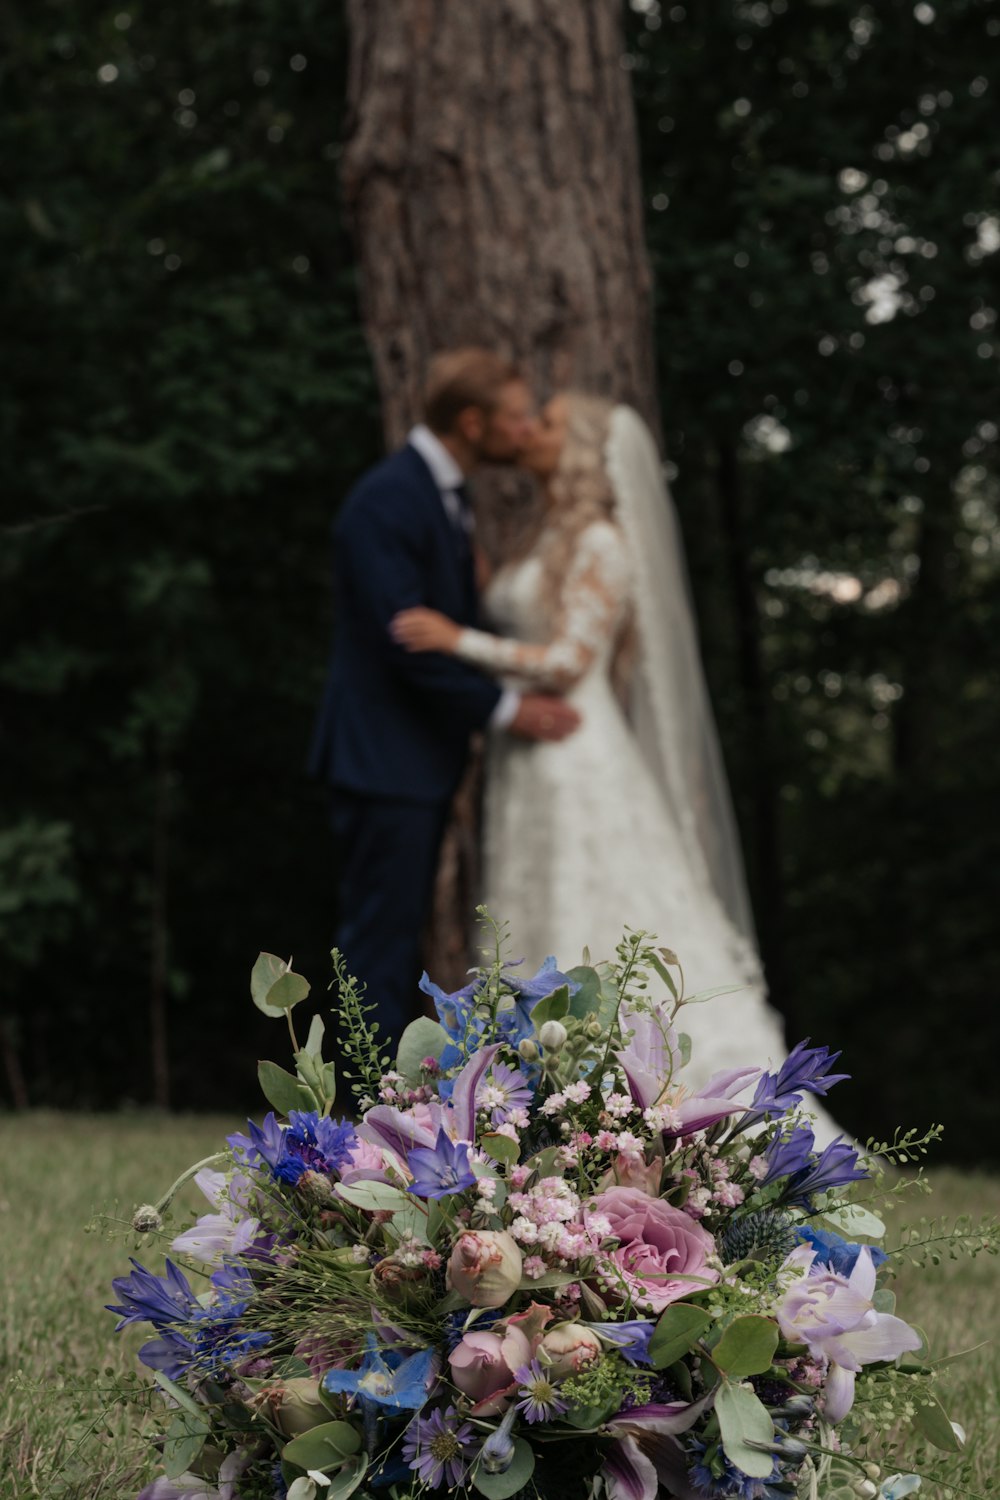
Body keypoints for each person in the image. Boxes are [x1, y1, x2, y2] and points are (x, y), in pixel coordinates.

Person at [390, 393, 825, 1102]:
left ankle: (643, 1092)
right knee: (528, 906)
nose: (533, 426)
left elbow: (568, 660)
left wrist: (454, 639)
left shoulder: (602, 540)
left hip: (575, 754)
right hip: (527, 758)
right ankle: (532, 1096)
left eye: (553, 422)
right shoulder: (545, 536)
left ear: (588, 450)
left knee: (586, 905)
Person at [309, 349, 579, 1047]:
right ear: (471, 421)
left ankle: (381, 1101)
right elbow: (406, 643)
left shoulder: (443, 497)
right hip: (381, 759)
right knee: (379, 936)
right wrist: (507, 710)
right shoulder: (388, 500)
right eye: (515, 418)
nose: (523, 431)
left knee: (398, 932)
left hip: (413, 759)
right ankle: (355, 1107)